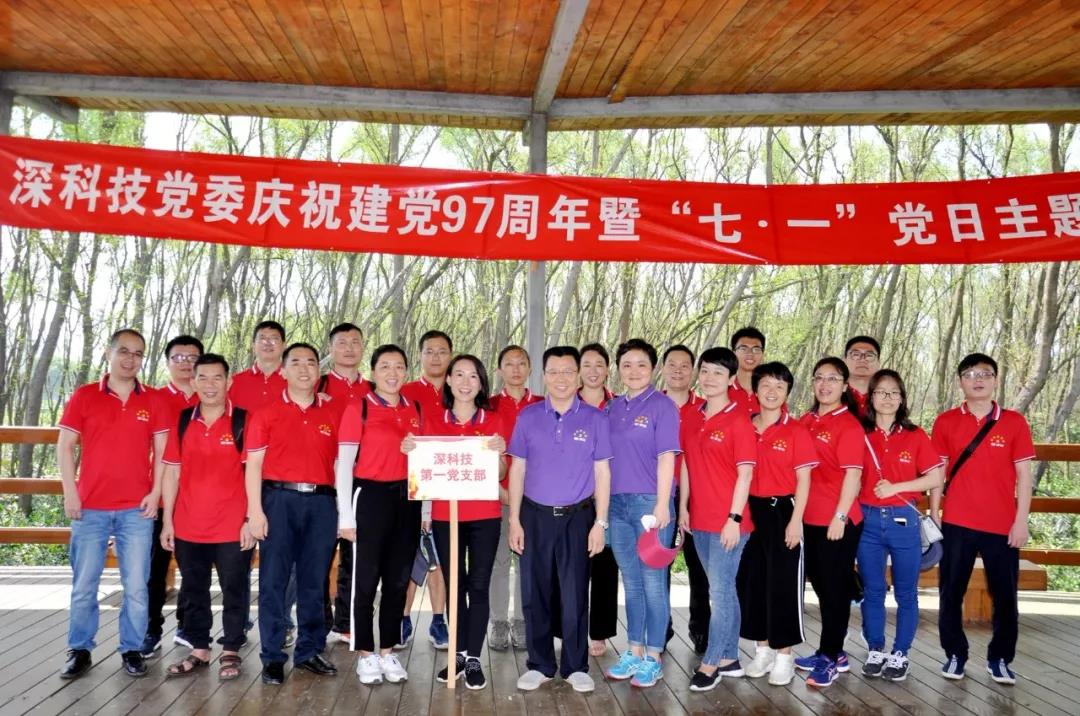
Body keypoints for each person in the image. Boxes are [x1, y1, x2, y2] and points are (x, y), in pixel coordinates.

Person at [57, 328, 166, 680]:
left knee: (136, 586)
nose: (130, 359)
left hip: (137, 509)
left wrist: (155, 492)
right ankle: (80, 649)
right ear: (109, 352)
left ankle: (132, 649)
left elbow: (162, 453)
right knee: (84, 585)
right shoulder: (85, 395)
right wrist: (70, 491)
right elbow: (64, 446)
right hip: (90, 507)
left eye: (138, 353)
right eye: (124, 351)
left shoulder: (152, 400)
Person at [508, 346, 612, 694]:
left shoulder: (595, 419)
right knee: (534, 592)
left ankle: (575, 666)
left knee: (575, 593)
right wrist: (514, 520)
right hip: (534, 516)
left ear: (578, 376)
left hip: (578, 517)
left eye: (568, 371)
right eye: (553, 372)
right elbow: (518, 469)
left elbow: (602, 472)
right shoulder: (528, 416)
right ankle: (539, 664)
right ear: (544, 376)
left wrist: (600, 523)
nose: (561, 378)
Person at [931, 353, 1035, 685]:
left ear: (995, 380)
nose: (978, 379)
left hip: (1002, 525)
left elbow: (1025, 476)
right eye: (970, 373)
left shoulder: (1014, 422)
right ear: (960, 381)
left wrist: (1021, 521)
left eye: (985, 373)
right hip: (956, 521)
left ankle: (1000, 658)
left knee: (1005, 594)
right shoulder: (946, 421)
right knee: (950, 591)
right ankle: (955, 654)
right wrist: (934, 513)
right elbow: (938, 473)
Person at [245, 343, 341, 685]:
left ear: (319, 371)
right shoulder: (266, 413)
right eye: (296, 362)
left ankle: (309, 650)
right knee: (273, 580)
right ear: (283, 371)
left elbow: (340, 464)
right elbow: (253, 465)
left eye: (311, 362)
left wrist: (342, 513)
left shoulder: (332, 413)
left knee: (314, 581)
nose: (304, 368)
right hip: (278, 501)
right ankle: (272, 656)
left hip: (322, 503)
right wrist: (254, 512)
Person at [413, 355, 509, 690]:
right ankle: (458, 651)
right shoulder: (432, 420)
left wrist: (498, 453)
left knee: (478, 585)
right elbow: (423, 471)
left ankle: (473, 658)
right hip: (445, 516)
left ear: (481, 383)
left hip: (485, 515)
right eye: (459, 375)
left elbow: (501, 472)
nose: (466, 382)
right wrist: (411, 450)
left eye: (473, 376)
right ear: (449, 381)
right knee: (455, 585)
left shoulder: (493, 420)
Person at [159, 354, 255, 681]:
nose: (210, 385)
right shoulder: (183, 421)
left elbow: (254, 474)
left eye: (217, 378)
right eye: (203, 377)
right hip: (189, 525)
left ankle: (231, 649)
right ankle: (199, 648)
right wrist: (168, 521)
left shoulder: (243, 420)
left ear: (229, 382)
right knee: (193, 589)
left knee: (235, 589)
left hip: (233, 526)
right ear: (193, 381)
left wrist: (250, 519)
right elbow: (171, 472)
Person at [337, 345, 423, 686]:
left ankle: (387, 650)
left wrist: (425, 507)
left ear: (406, 372)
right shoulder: (359, 407)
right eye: (385, 366)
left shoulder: (414, 409)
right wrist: (345, 516)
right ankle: (364, 652)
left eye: (399, 366)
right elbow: (344, 464)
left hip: (407, 500)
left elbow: (423, 462)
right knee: (365, 579)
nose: (392, 373)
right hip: (369, 498)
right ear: (373, 372)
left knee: (398, 580)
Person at [603, 339, 680, 688]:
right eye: (627, 364)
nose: (634, 371)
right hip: (616, 505)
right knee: (631, 582)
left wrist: (663, 504)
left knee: (653, 583)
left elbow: (667, 458)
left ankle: (654, 656)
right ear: (618, 369)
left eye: (642, 365)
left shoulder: (663, 406)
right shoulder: (612, 408)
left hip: (650, 505)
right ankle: (634, 650)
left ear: (654, 369)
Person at [858, 369, 944, 682]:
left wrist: (897, 487)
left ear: (902, 398)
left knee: (906, 592)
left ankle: (900, 653)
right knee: (873, 589)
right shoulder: (860, 433)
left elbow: (935, 477)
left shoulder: (915, 435)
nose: (888, 398)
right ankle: (875, 648)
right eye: (881, 392)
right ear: (871, 397)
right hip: (867, 520)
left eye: (894, 392)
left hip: (903, 520)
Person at [678, 348, 755, 692]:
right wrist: (684, 506)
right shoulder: (692, 416)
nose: (709, 378)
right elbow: (686, 463)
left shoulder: (739, 419)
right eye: (705, 371)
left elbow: (745, 473)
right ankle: (729, 658)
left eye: (718, 373)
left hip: (730, 522)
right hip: (699, 518)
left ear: (731, 379)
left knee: (720, 592)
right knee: (724, 590)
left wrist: (733, 518)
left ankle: (710, 663)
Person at [738, 362, 816, 687]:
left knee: (783, 584)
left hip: (783, 511)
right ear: (755, 390)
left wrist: (796, 522)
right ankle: (763, 650)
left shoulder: (796, 430)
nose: (772, 392)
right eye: (766, 385)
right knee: (753, 582)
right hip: (749, 511)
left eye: (779, 387)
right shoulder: (743, 426)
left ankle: (784, 655)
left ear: (787, 393)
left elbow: (805, 480)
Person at [795, 357, 865, 688]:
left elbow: (853, 475)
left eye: (833, 379)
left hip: (837, 520)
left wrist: (840, 515)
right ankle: (833, 651)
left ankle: (829, 657)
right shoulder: (806, 420)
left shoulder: (848, 425)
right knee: (823, 589)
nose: (825, 384)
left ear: (845, 386)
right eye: (819, 378)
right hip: (808, 518)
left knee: (835, 590)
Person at [143, 334, 203, 657]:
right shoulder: (153, 398)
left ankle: (187, 626)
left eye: (192, 357)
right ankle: (150, 628)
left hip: (198, 501)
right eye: (178, 357)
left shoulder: (210, 398)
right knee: (154, 569)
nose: (185, 363)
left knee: (194, 569)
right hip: (161, 497)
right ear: (167, 362)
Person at [487, 345, 542, 651]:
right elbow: (480, 452)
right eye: (509, 364)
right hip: (496, 497)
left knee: (527, 562)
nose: (516, 369)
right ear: (500, 370)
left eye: (522, 363)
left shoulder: (543, 405)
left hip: (533, 498)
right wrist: (500, 490)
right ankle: (497, 620)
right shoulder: (489, 406)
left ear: (530, 368)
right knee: (498, 561)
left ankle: (522, 620)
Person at [401, 330, 453, 650]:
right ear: (419, 355)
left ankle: (438, 620)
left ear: (451, 355)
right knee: (408, 557)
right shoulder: (405, 392)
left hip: (449, 486)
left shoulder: (460, 390)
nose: (436, 357)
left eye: (442, 351)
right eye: (429, 351)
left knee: (440, 558)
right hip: (409, 487)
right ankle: (403, 617)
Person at [322, 322, 370, 646]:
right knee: (319, 558)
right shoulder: (317, 384)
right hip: (321, 482)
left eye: (355, 342)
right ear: (331, 348)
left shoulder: (375, 389)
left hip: (360, 484)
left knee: (354, 557)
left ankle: (345, 623)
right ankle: (318, 624)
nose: (349, 348)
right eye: (342, 342)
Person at [661, 344, 710, 655]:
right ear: (663, 368)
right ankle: (661, 627)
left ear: (693, 371)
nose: (678, 370)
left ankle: (701, 628)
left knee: (698, 564)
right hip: (659, 494)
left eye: (684, 365)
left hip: (699, 495)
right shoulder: (652, 405)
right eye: (672, 364)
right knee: (659, 562)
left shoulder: (707, 408)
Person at [573, 343, 619, 657]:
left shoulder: (619, 405)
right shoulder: (566, 403)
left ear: (607, 369)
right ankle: (570, 628)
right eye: (586, 365)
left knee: (604, 566)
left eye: (598, 365)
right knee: (572, 567)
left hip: (609, 497)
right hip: (573, 498)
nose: (593, 371)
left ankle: (599, 632)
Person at [229, 320, 288, 412]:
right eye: (262, 338)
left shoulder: (296, 382)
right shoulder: (234, 383)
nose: (268, 343)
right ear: (253, 346)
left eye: (274, 339)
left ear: (284, 345)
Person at [729, 327, 766, 417]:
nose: (750, 353)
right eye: (743, 348)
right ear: (734, 353)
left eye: (756, 349)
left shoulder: (772, 392)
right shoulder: (722, 390)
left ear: (762, 354)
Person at [843, 336, 881, 418]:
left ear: (878, 363)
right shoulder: (833, 395)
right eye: (856, 354)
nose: (862, 359)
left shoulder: (887, 397)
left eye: (869, 355)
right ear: (845, 361)